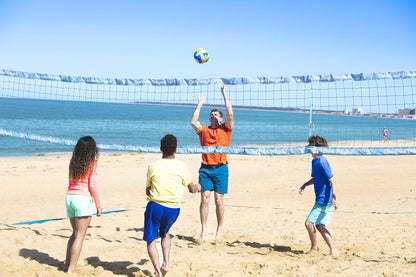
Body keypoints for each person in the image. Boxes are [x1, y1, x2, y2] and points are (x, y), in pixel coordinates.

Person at [143, 134, 201, 277]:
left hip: (156, 205)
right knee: (165, 233)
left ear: (161, 149)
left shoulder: (153, 165)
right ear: (176, 149)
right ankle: (166, 263)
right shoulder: (181, 166)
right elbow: (192, 189)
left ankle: (157, 271)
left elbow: (148, 189)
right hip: (173, 208)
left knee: (151, 239)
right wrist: (199, 187)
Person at [190, 85, 234, 242]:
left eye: (216, 115)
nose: (213, 116)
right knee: (204, 199)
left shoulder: (226, 129)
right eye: (211, 115)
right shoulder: (204, 130)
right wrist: (200, 103)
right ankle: (203, 231)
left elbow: (230, 112)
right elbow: (193, 121)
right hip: (206, 169)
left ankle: (219, 230)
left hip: (221, 168)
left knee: (218, 200)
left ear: (221, 118)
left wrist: (224, 94)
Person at [64, 136, 102, 273]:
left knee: (74, 234)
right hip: (82, 198)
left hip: (70, 197)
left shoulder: (73, 162)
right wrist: (98, 204)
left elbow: (71, 181)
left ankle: (66, 264)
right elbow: (92, 185)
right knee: (80, 235)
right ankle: (71, 269)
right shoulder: (92, 163)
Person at [298, 135, 340, 257]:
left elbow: (332, 180)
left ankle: (314, 248)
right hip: (321, 198)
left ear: (316, 147)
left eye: (310, 145)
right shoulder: (314, 161)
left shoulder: (322, 161)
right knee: (320, 225)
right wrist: (305, 185)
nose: (308, 147)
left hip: (324, 199)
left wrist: (334, 198)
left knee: (308, 223)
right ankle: (333, 250)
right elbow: (315, 178)